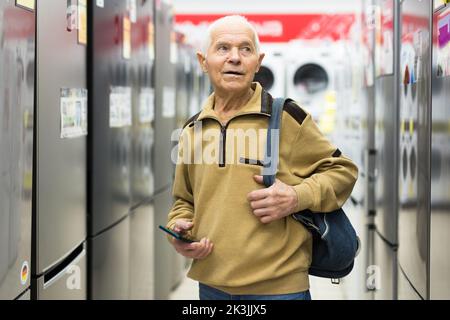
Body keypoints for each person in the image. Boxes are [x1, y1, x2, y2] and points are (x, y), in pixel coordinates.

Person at [166, 15, 358, 300]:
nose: (235, 58)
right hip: (211, 286)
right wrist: (177, 231)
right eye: (223, 48)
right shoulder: (193, 129)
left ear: (258, 61)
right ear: (203, 61)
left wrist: (297, 196)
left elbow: (343, 171)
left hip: (279, 289)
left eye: (245, 49)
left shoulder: (285, 118)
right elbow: (184, 201)